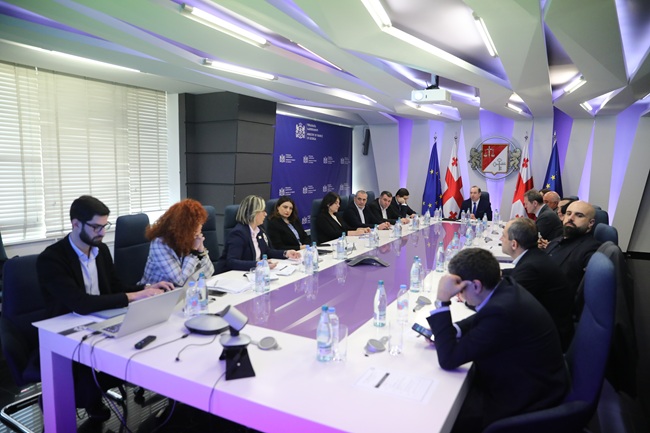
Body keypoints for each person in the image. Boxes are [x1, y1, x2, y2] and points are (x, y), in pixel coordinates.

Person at [37, 195, 174, 420]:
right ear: (76, 224)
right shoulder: (51, 259)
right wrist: (135, 295)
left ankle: (91, 394)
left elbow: (116, 288)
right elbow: (80, 303)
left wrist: (147, 288)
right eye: (96, 227)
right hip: (66, 331)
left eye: (105, 226)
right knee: (94, 375)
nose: (102, 233)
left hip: (99, 322)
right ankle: (67, 397)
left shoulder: (100, 251)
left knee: (141, 346)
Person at [427, 248, 568, 432]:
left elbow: (449, 359)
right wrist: (454, 330)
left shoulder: (500, 312)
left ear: (476, 286)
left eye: (460, 290)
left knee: (441, 413)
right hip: (537, 378)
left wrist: (442, 301)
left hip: (526, 398)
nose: (459, 296)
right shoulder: (505, 288)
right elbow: (483, 316)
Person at [500, 218, 574, 350]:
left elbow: (505, 306)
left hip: (546, 343)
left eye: (503, 236)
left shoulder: (530, 268)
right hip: (549, 329)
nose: (501, 239)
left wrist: (470, 297)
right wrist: (495, 273)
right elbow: (517, 274)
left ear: (514, 244)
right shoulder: (534, 256)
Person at [214, 195, 301, 274]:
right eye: (263, 211)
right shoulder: (238, 233)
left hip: (254, 273)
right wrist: (258, 264)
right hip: (232, 276)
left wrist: (286, 253)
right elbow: (232, 262)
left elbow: (267, 251)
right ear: (254, 213)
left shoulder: (259, 230)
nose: (265, 214)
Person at [138, 199, 214, 286]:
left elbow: (209, 273)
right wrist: (193, 252)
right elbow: (180, 281)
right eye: (194, 231)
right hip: (155, 292)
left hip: (181, 290)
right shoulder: (159, 244)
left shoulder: (190, 239)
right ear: (183, 228)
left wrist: (201, 250)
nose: (197, 234)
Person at [544, 200, 601, 296]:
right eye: (568, 213)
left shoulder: (592, 249)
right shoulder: (556, 241)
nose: (570, 218)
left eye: (579, 215)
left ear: (590, 223)